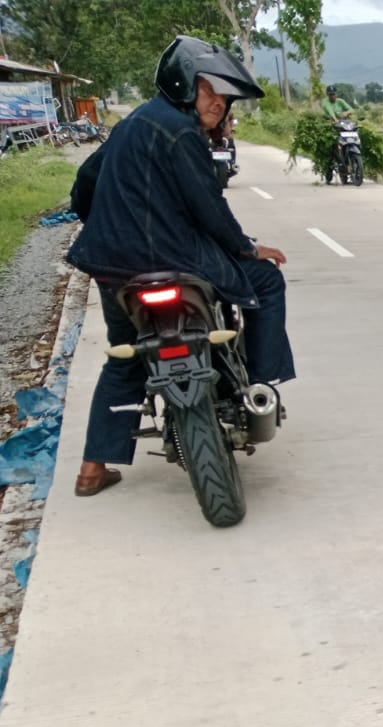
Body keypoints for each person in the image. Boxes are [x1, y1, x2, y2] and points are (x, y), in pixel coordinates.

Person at [66, 36, 294, 498]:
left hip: (113, 268)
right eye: (210, 91)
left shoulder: (132, 124)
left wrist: (107, 223)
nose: (219, 104)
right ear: (184, 84)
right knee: (266, 281)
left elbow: (84, 185)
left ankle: (92, 469)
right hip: (175, 261)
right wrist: (248, 249)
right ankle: (261, 386)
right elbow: (208, 208)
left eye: (224, 97)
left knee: (126, 353)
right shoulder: (182, 132)